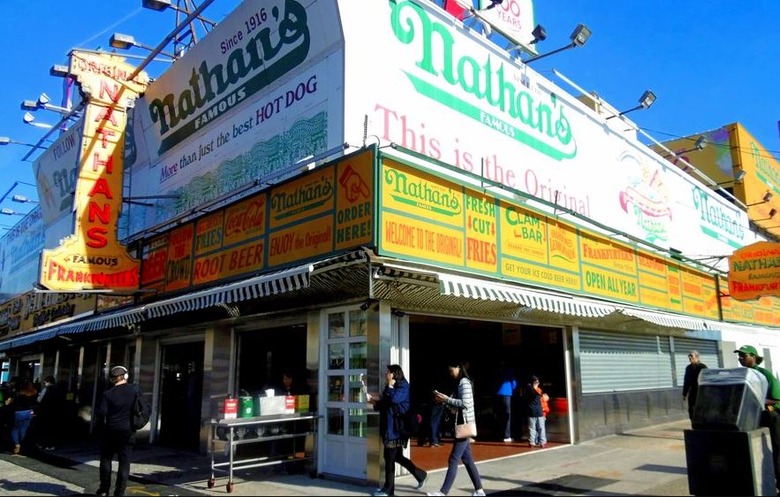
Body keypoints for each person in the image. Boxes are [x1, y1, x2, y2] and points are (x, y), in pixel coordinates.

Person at [367, 364, 428, 496]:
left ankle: (389, 491)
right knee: (397, 457)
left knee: (389, 458)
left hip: (396, 429)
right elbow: (385, 404)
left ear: (394, 374)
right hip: (389, 426)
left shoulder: (403, 386)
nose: (386, 374)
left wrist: (389, 386)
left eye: (388, 372)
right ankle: (420, 475)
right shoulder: (391, 386)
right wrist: (374, 402)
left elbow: (394, 400)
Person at [429, 361, 485, 497]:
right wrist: (444, 400)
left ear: (459, 368)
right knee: (467, 459)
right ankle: (479, 490)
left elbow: (465, 404)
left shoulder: (464, 383)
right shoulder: (462, 382)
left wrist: (447, 399)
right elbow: (459, 404)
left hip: (463, 426)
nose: (451, 373)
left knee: (453, 459)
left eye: (452, 370)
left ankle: (443, 492)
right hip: (462, 425)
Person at [735, 345, 780, 494]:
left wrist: (755, 400)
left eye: (744, 355)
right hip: (748, 416)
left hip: (770, 415)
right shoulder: (741, 375)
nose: (740, 358)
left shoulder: (764, 374)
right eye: (739, 356)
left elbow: (776, 398)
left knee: (776, 450)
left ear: (753, 357)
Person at [95, 365, 142, 497]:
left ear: (112, 379)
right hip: (127, 431)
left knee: (105, 459)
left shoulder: (108, 394)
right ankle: (119, 492)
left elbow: (102, 413)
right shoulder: (134, 391)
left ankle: (104, 489)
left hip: (110, 431)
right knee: (124, 462)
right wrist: (137, 425)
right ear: (126, 376)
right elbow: (145, 409)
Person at [6, 379, 37, 454]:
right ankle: (23, 444)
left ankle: (17, 444)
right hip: (29, 412)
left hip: (19, 412)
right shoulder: (33, 392)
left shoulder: (18, 392)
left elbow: (9, 403)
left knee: (15, 429)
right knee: (24, 429)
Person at [35, 375, 63, 451]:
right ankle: (50, 445)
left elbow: (39, 400)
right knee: (52, 429)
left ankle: (42, 444)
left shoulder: (46, 389)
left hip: (44, 412)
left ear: (48, 382)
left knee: (43, 429)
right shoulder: (59, 390)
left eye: (45, 382)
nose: (44, 384)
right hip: (54, 413)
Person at [682, 350, 707, 422]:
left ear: (697, 357)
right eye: (689, 356)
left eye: (691, 356)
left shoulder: (702, 367)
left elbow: (706, 380)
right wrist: (684, 393)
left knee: (701, 409)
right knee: (691, 409)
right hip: (692, 392)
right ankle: (693, 423)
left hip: (701, 392)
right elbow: (686, 381)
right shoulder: (688, 368)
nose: (690, 358)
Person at [495, 362, 517, 442]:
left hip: (498, 394)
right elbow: (514, 383)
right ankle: (506, 435)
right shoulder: (510, 371)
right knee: (507, 415)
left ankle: (498, 434)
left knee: (499, 415)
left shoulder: (497, 371)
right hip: (507, 394)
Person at [525, 375, 549, 448]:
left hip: (534, 411)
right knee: (540, 427)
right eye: (536, 382)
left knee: (533, 428)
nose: (537, 383)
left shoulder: (531, 389)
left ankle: (533, 442)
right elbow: (536, 396)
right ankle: (541, 442)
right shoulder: (533, 390)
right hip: (537, 411)